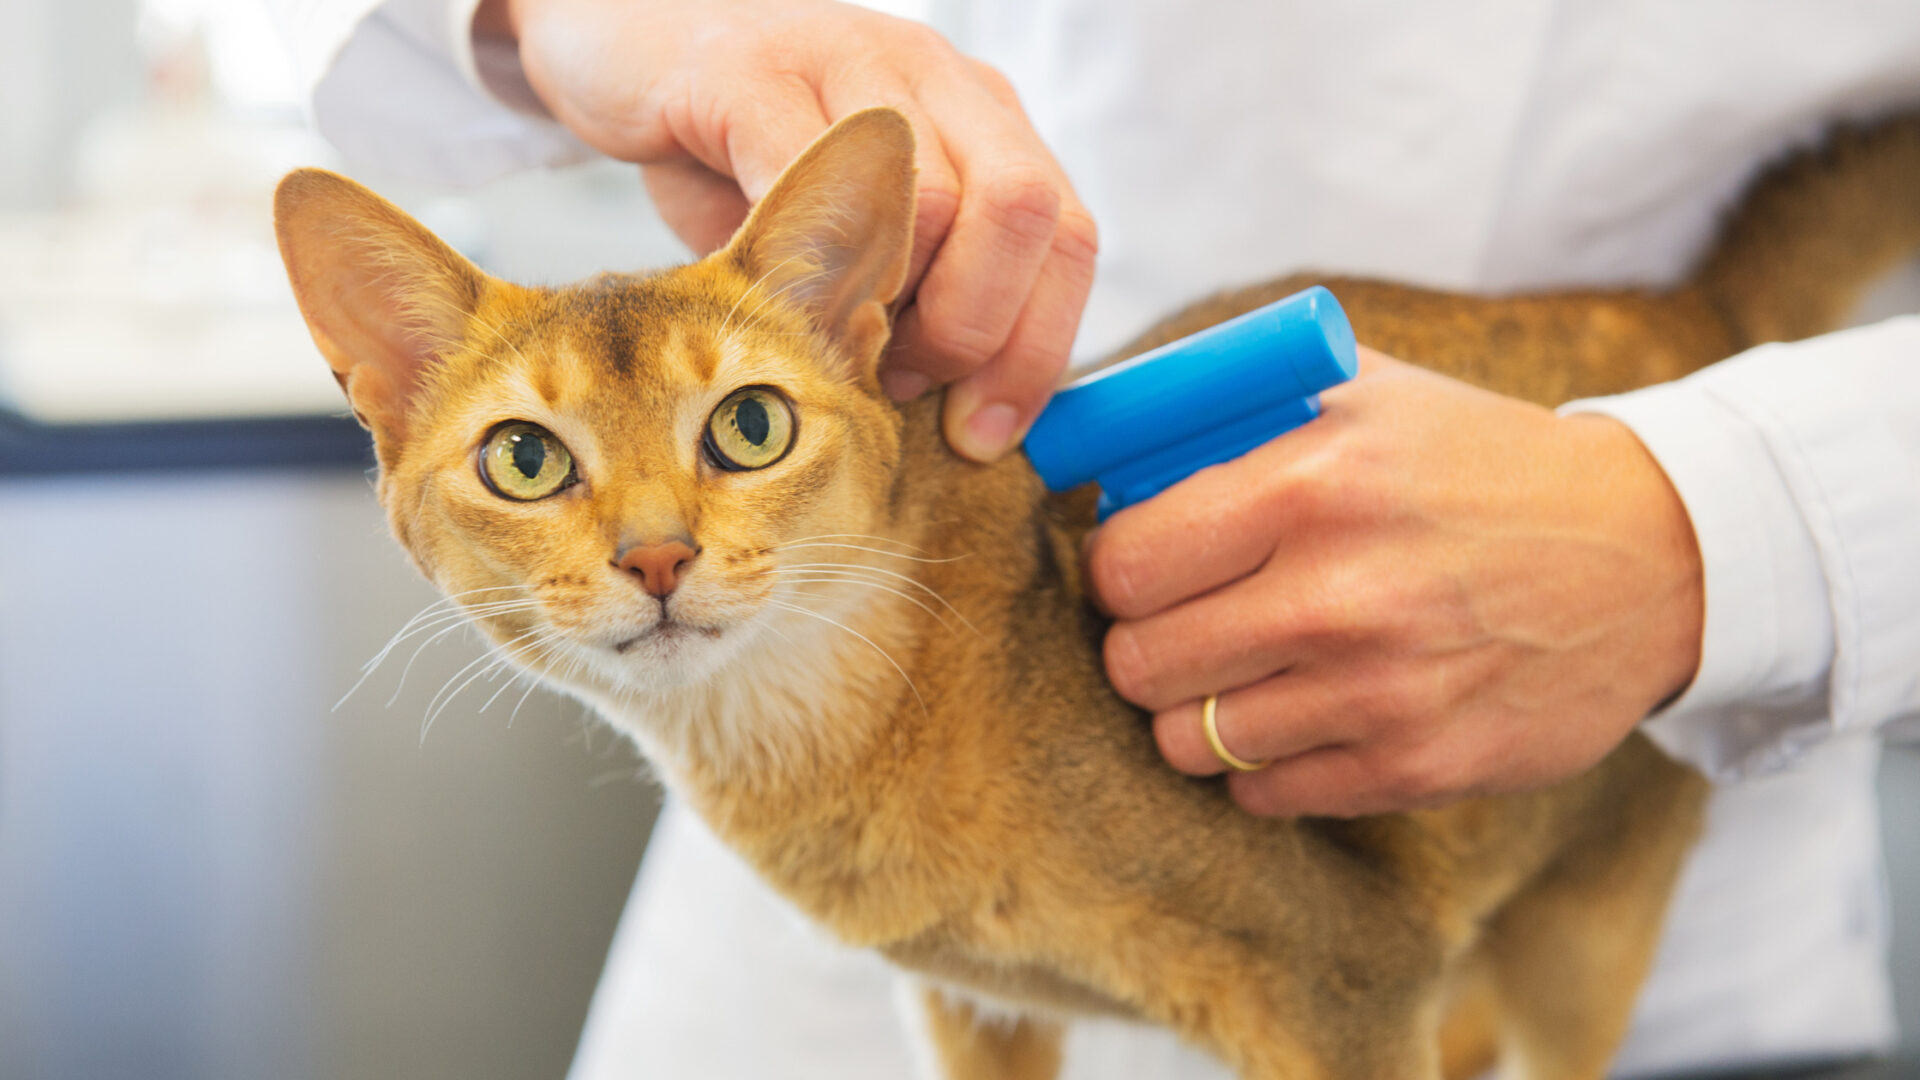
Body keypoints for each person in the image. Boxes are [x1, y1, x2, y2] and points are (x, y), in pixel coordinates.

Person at [276, 0, 1920, 1075]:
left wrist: (1726, 524)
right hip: (968, 493)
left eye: (737, 436)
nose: (650, 549)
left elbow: (1347, 975)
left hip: (1705, 681)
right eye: (525, 461)